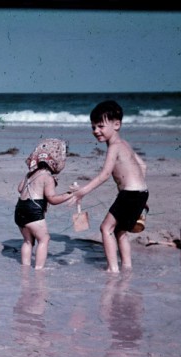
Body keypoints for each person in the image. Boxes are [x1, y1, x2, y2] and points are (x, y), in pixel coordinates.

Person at [68, 100, 148, 273]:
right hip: (141, 192)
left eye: (101, 126)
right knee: (120, 231)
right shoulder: (125, 144)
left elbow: (105, 175)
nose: (96, 131)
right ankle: (126, 266)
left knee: (106, 228)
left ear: (116, 125)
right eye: (93, 127)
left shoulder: (114, 146)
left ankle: (112, 269)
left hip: (129, 194)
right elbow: (143, 166)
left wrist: (83, 191)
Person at [15, 138, 76, 270]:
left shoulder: (29, 174)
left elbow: (20, 189)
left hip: (20, 209)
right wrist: (69, 194)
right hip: (33, 209)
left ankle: (24, 269)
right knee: (44, 239)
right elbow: (52, 199)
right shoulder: (47, 177)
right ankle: (39, 270)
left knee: (27, 241)